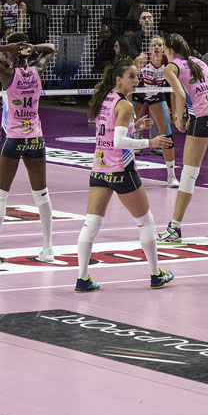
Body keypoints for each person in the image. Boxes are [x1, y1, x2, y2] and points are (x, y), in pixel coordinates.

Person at [75, 59, 174, 292]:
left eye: (137, 76)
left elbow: (110, 131)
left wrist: (134, 127)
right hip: (121, 169)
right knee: (145, 221)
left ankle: (82, 278)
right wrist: (150, 142)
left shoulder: (105, 99)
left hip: (99, 168)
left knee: (91, 224)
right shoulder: (125, 105)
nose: (136, 80)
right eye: (132, 76)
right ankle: (155, 274)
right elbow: (118, 142)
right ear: (119, 79)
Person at [0, 34, 56, 265]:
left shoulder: (6, 73)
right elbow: (51, 48)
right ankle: (48, 248)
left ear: (10, 52)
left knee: (0, 194)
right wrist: (32, 47)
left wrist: (7, 46)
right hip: (35, 139)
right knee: (42, 193)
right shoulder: (37, 70)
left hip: (13, 138)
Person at [157, 34, 208, 242]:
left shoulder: (170, 67)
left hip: (203, 117)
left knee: (189, 174)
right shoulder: (199, 62)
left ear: (168, 50)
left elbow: (181, 95)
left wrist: (178, 117)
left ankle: (174, 229)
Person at [133, 35, 180, 188]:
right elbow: (128, 81)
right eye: (153, 45)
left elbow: (174, 91)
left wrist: (176, 112)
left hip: (157, 96)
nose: (157, 48)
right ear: (149, 49)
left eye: (160, 45)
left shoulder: (169, 64)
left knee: (166, 133)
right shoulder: (141, 60)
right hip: (138, 94)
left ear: (164, 49)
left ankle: (171, 175)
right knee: (125, 129)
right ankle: (120, 169)